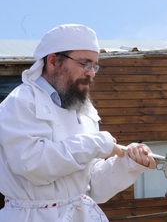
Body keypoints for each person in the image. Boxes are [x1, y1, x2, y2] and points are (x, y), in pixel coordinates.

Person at [0, 24, 156, 222]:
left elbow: (93, 188)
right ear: (53, 61)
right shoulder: (21, 102)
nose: (91, 73)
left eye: (94, 66)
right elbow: (33, 165)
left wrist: (128, 163)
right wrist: (97, 144)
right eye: (85, 64)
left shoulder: (85, 111)